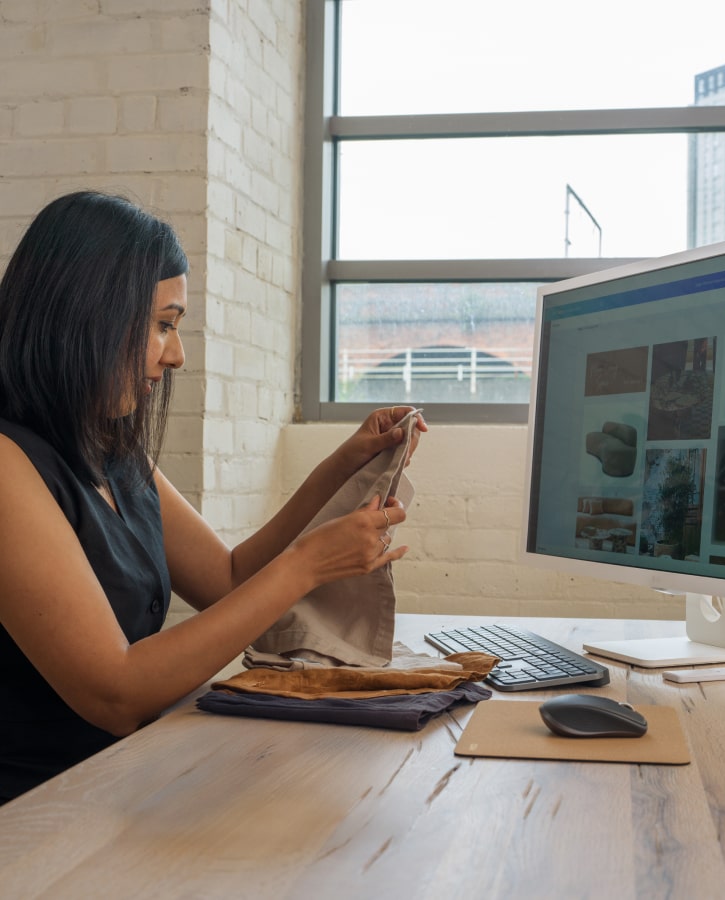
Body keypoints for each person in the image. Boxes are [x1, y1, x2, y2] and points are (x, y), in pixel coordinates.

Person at [0, 191, 427, 804]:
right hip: (40, 815)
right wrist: (308, 566)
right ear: (87, 316)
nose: (176, 355)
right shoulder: (8, 464)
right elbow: (116, 694)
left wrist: (346, 462)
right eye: (163, 325)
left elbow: (228, 579)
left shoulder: (115, 454)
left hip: (122, 781)